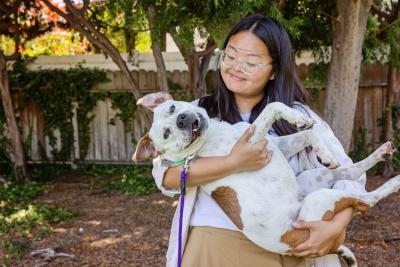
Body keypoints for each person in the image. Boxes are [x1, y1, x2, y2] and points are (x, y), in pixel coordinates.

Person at [152, 14, 366, 267]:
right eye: (230, 56)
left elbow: (350, 177)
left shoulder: (297, 118)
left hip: (285, 249)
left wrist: (336, 229)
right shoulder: (197, 113)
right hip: (211, 247)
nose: (236, 67)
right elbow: (165, 175)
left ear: (274, 70)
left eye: (251, 62)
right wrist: (233, 162)